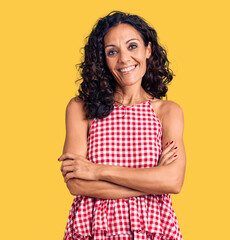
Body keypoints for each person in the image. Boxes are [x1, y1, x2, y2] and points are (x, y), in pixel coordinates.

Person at [57, 11, 186, 240]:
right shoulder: (81, 108)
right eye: (112, 52)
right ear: (102, 59)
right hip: (92, 229)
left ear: (148, 50)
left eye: (132, 46)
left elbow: (173, 181)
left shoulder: (167, 112)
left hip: (152, 230)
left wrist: (96, 171)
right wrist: (153, 182)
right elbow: (76, 184)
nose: (124, 59)